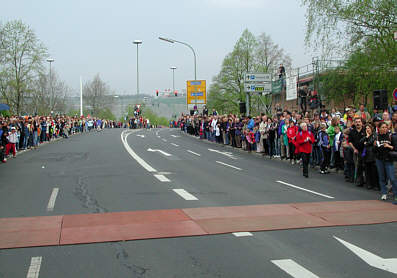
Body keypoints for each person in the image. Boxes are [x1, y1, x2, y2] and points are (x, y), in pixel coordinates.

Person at [374, 122, 397, 200]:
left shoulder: (390, 136)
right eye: (382, 127)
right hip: (379, 159)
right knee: (382, 177)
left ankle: (395, 193)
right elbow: (374, 150)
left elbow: (394, 148)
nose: (384, 129)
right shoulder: (377, 137)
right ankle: (384, 193)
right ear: (379, 128)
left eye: (385, 127)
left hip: (388, 159)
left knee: (392, 178)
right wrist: (374, 145)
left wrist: (388, 146)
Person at [360, 124, 379, 190]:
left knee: (374, 171)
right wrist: (366, 137)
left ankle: (375, 185)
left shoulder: (375, 134)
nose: (367, 130)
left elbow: (372, 142)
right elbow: (361, 142)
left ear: (371, 129)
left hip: (373, 155)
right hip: (366, 155)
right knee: (367, 171)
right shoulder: (365, 136)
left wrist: (366, 143)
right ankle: (369, 184)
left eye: (368, 128)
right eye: (366, 128)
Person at [349, 117, 365, 186]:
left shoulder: (365, 130)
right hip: (356, 151)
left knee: (364, 165)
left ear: (361, 123)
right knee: (358, 165)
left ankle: (366, 180)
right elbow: (349, 141)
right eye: (356, 122)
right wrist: (354, 149)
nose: (358, 123)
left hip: (364, 151)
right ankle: (359, 180)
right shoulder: (352, 131)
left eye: (359, 122)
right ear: (354, 123)